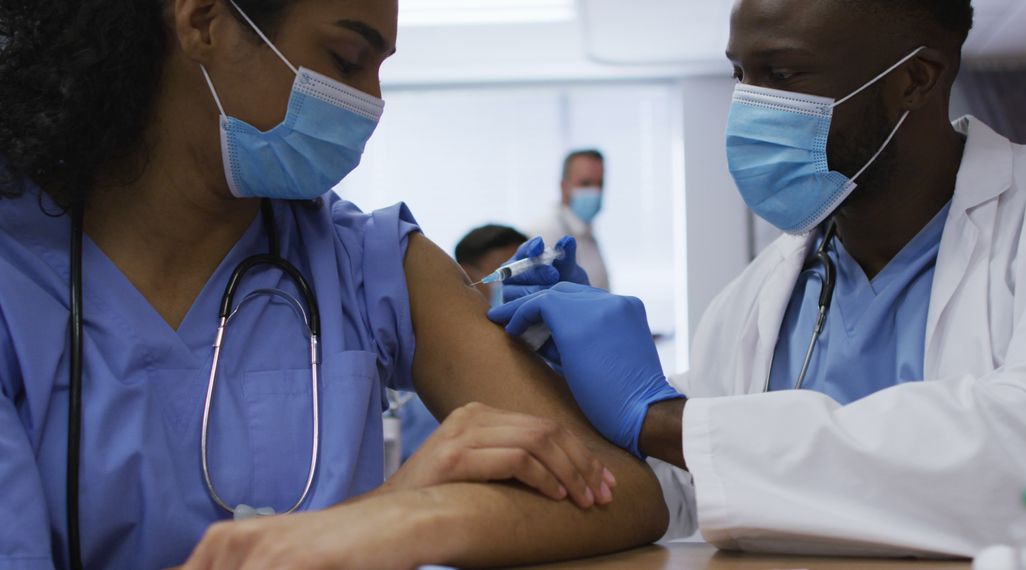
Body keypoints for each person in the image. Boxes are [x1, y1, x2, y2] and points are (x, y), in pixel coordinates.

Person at [0, 1, 670, 568]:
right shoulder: (15, 275)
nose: (371, 103)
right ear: (204, 21)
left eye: (380, 71)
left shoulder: (367, 259)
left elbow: (626, 495)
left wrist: (421, 518)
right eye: (348, 60)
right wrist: (381, 509)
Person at [491, 0, 1026, 557]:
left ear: (916, 79)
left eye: (785, 74)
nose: (750, 108)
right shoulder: (757, 296)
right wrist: (572, 385)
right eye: (741, 76)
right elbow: (691, 490)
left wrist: (665, 419)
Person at [396, 224, 530, 463]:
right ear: (466, 276)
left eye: (526, 271)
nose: (520, 284)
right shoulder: (431, 361)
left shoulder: (542, 350)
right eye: (507, 273)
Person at [531, 149, 611, 291]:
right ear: (564, 186)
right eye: (585, 183)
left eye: (600, 184)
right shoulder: (546, 231)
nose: (595, 191)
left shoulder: (586, 231)